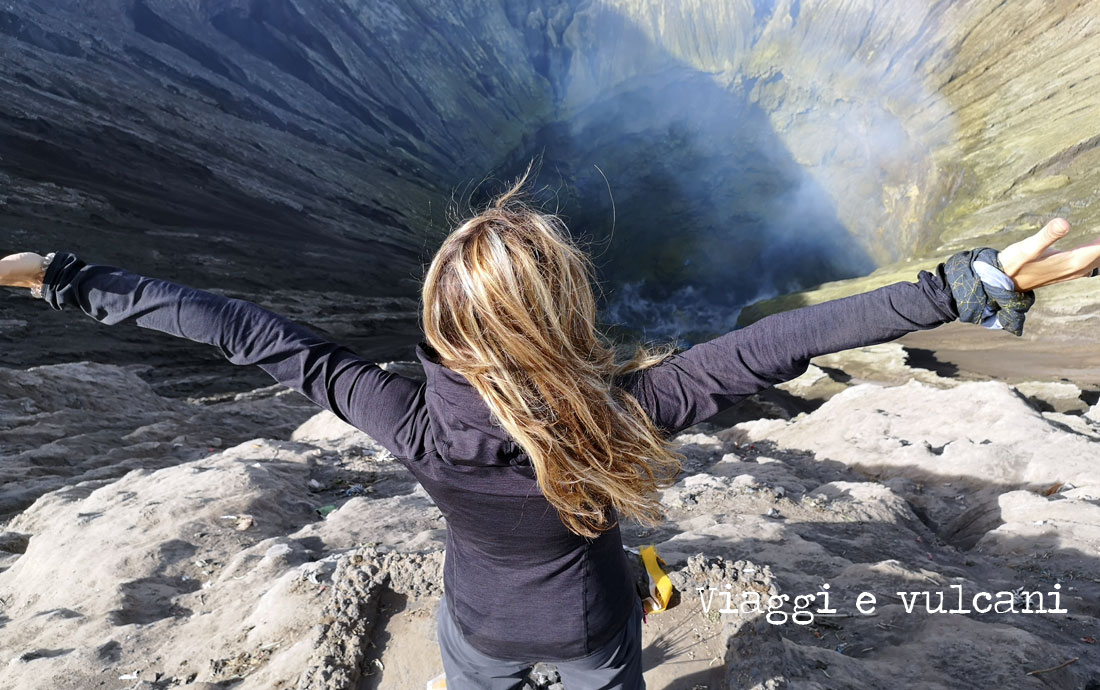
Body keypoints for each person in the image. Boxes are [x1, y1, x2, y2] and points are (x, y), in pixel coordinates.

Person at [2, 170, 1099, 690]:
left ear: (442, 326)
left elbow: (244, 330)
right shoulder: (629, 413)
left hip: (475, 629)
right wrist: (962, 285)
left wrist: (64, 277)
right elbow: (780, 345)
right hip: (589, 630)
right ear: (564, 316)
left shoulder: (403, 418)